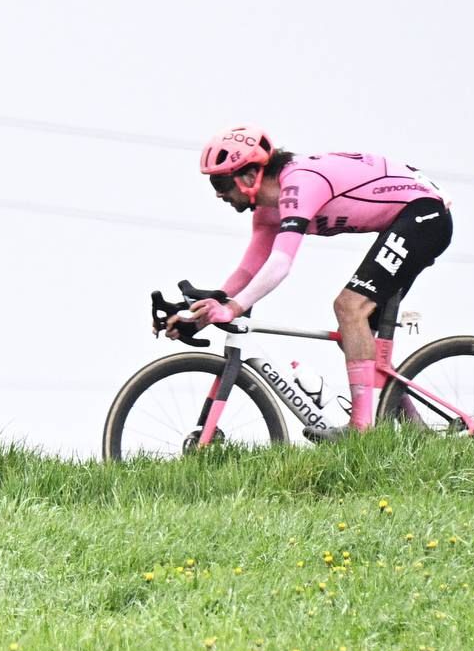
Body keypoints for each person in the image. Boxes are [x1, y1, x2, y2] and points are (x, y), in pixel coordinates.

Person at [179, 130, 452, 432]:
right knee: (354, 332)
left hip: (423, 215)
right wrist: (209, 305)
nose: (218, 194)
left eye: (221, 182)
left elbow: (281, 264)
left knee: (350, 308)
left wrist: (232, 308)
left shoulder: (298, 183)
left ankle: (362, 430)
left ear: (250, 175)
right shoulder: (268, 210)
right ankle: (416, 430)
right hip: (408, 218)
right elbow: (249, 270)